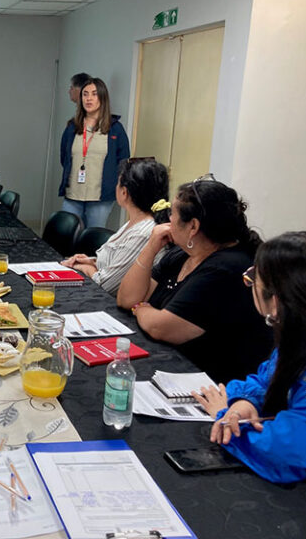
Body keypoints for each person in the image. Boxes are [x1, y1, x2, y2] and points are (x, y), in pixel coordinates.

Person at [209, 232, 306, 485]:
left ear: (276, 302)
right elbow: (266, 380)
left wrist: (223, 417)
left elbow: (288, 452)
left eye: (252, 279)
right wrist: (243, 404)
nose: (249, 283)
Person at [117, 177, 272, 383]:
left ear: (193, 226)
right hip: (171, 365)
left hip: (213, 383)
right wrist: (152, 246)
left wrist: (141, 309)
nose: (168, 218)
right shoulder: (183, 254)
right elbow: (126, 298)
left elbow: (162, 327)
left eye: (173, 213)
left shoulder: (226, 267)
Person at [60, 158, 169, 295]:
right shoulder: (135, 221)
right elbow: (118, 263)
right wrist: (91, 261)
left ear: (124, 192)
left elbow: (105, 285)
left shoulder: (144, 232)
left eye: (117, 183)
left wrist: (82, 267)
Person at [59, 77, 130, 229]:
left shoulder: (115, 128)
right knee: (65, 238)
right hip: (73, 195)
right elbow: (64, 158)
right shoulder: (72, 127)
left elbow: (123, 162)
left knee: (91, 241)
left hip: (100, 198)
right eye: (85, 94)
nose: (89, 98)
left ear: (102, 98)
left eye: (94, 94)